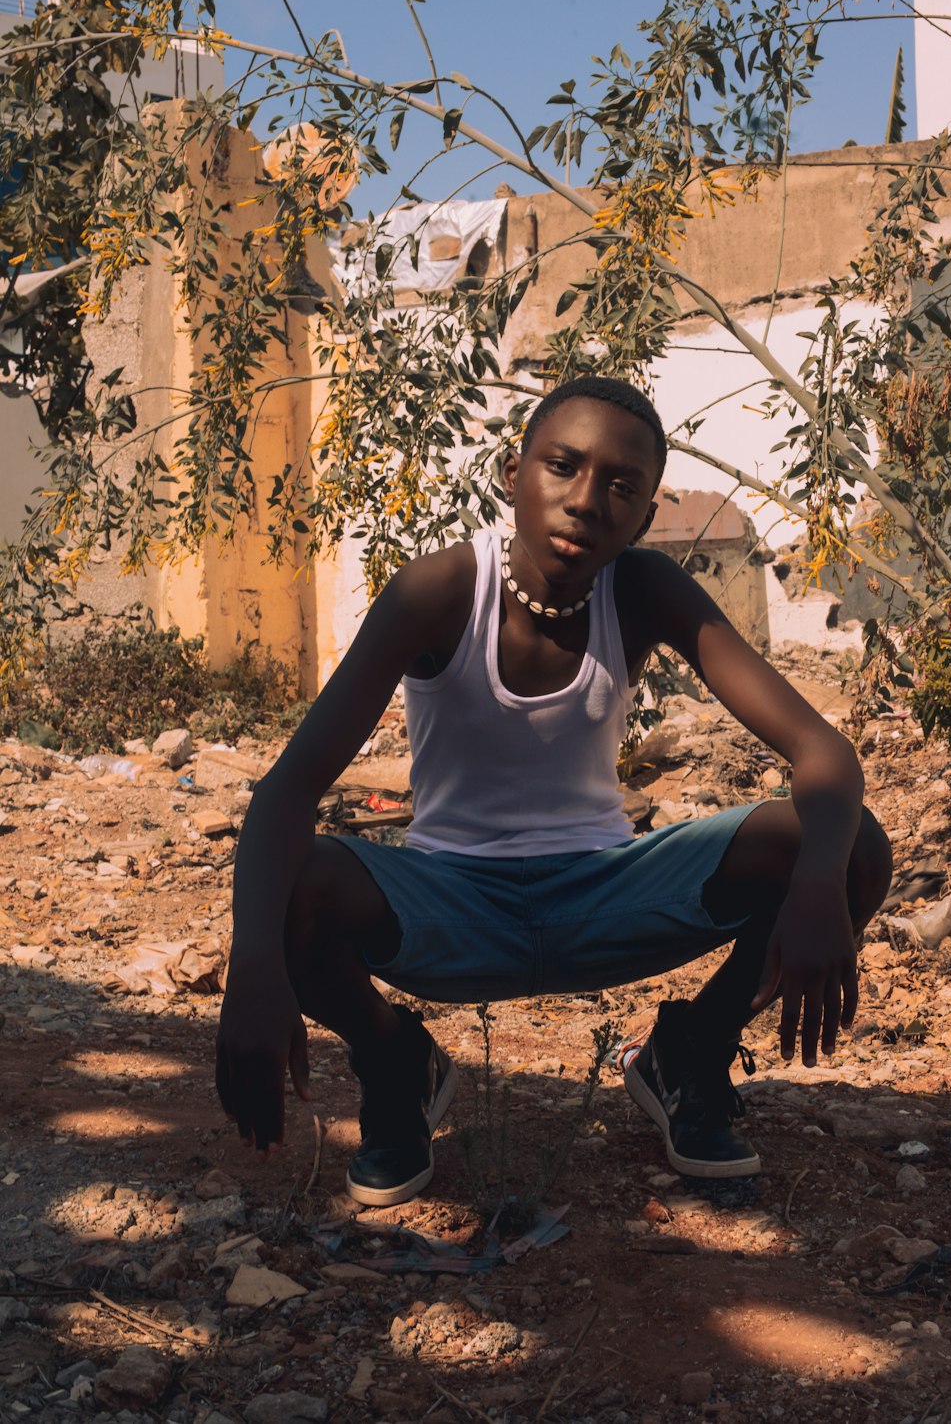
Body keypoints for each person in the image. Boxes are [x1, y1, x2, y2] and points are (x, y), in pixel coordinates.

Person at [215, 375, 892, 1206]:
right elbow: (286, 793)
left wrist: (821, 885)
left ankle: (690, 1053)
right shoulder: (438, 592)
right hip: (450, 903)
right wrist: (253, 971)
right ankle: (395, 1065)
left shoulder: (641, 589)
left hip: (605, 896)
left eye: (621, 486)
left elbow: (821, 751)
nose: (585, 501)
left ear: (644, 515)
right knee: (295, 879)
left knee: (850, 842)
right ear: (513, 473)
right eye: (562, 467)